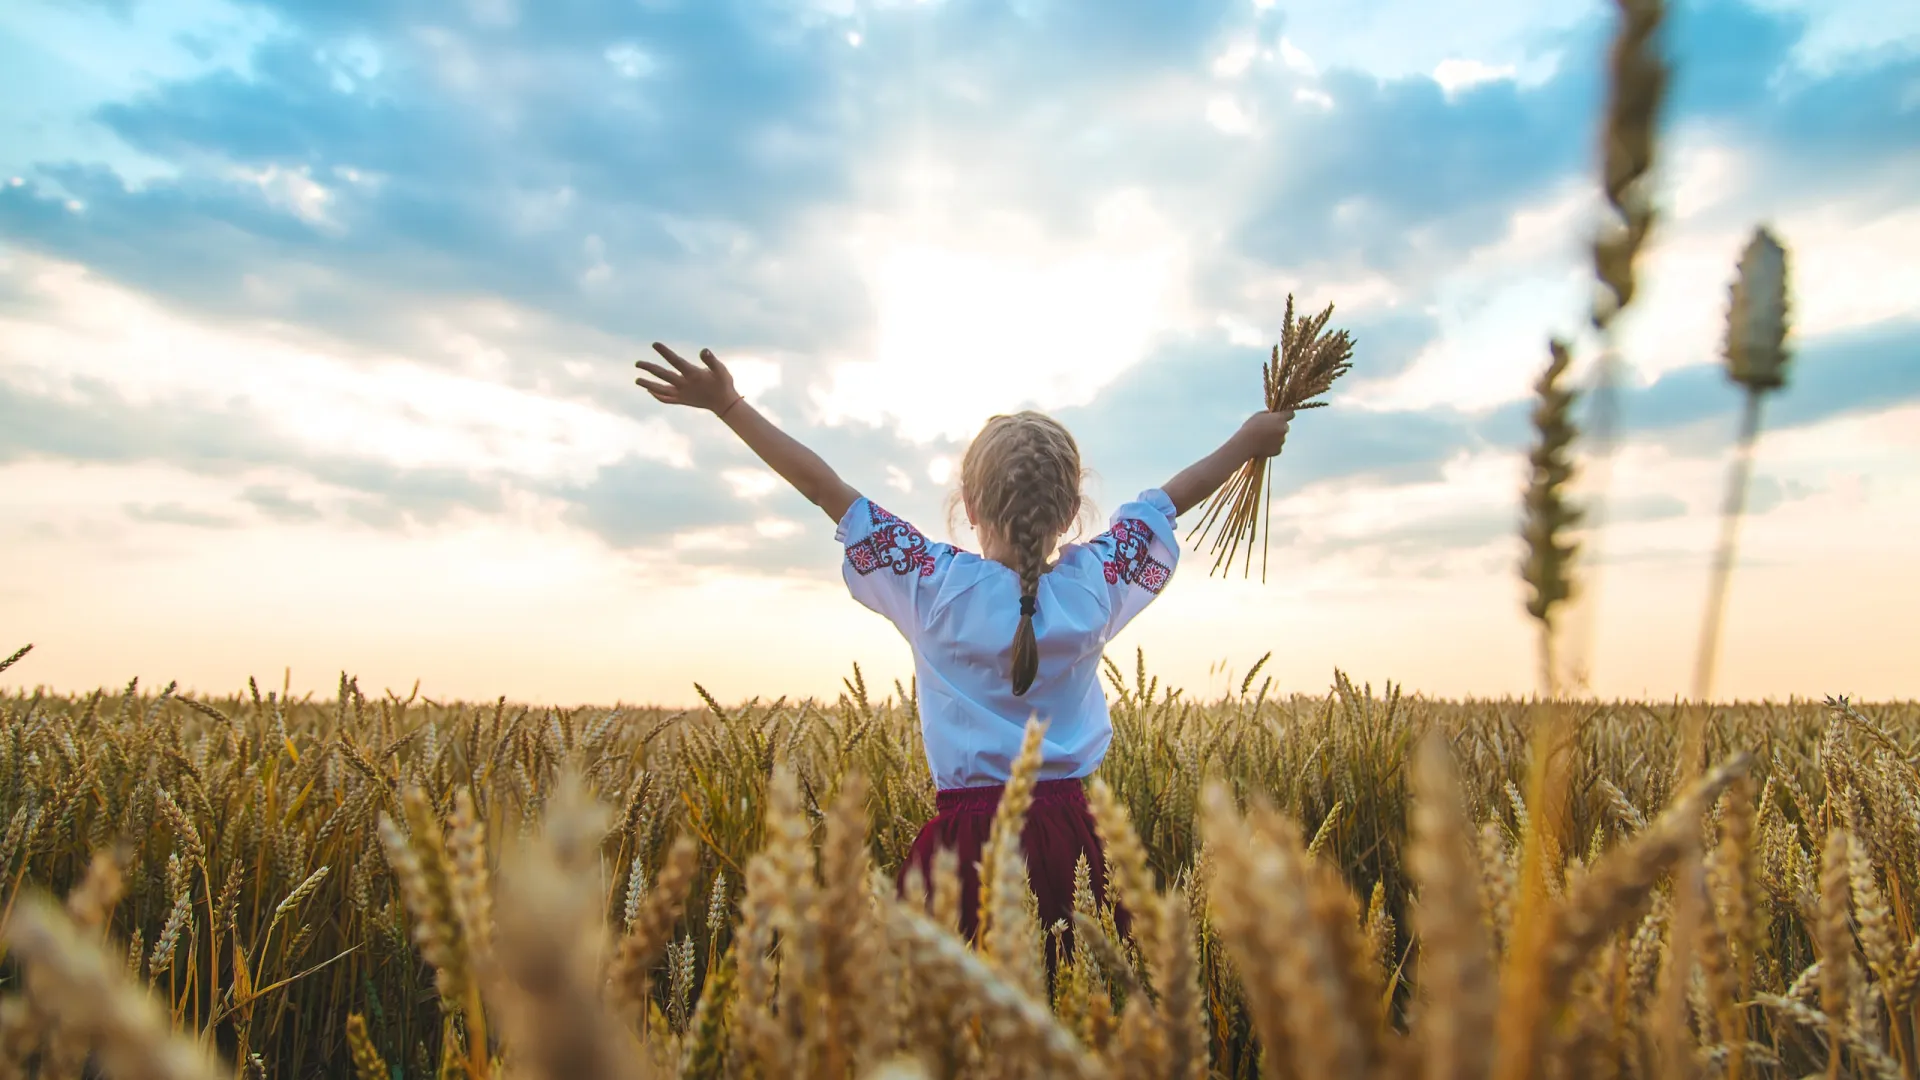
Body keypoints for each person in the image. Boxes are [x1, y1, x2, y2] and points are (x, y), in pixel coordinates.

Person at [635, 343, 1292, 955]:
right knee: (1077, 1008)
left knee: (946, 1024)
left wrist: (729, 406)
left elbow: (824, 490)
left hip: (965, 846)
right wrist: (1248, 440)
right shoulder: (1091, 589)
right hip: (1074, 833)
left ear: (969, 505)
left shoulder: (933, 585)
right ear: (1069, 512)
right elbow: (1167, 502)